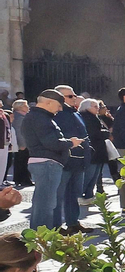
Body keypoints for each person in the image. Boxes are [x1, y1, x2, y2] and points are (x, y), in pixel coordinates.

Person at [16, 90, 80, 231]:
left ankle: (38, 239)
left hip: (45, 163)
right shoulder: (40, 118)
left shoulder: (38, 116)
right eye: (58, 105)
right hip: (47, 163)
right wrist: (71, 143)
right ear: (48, 102)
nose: (60, 109)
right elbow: (52, 143)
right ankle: (39, 240)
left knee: (44, 203)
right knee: (45, 204)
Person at [51, 86, 90, 233]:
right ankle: (56, 226)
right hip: (65, 160)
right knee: (58, 195)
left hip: (79, 159)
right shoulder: (56, 114)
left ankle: (73, 221)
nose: (74, 98)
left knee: (73, 194)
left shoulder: (75, 113)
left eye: (74, 95)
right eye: (70, 96)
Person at [79, 98, 111, 201]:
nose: (98, 108)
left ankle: (89, 195)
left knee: (95, 176)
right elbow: (92, 133)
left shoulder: (94, 117)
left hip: (98, 150)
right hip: (92, 150)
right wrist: (105, 133)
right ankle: (81, 195)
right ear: (86, 107)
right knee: (89, 175)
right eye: (95, 106)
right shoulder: (86, 118)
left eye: (98, 106)